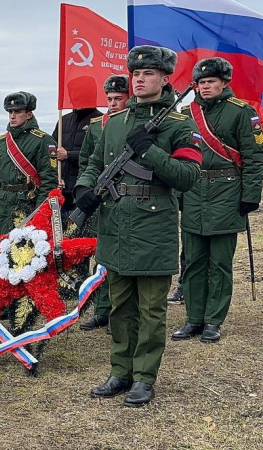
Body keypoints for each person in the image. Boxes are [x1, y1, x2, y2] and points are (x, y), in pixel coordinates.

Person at [75, 46, 202, 407]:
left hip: (153, 224)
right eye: (136, 74)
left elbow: (187, 177)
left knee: (151, 309)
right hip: (115, 223)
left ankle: (144, 377)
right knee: (120, 306)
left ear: (165, 79)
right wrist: (85, 189)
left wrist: (150, 151)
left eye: (148, 74)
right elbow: (95, 163)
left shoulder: (180, 125)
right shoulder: (113, 123)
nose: (140, 79)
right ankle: (120, 371)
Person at [171, 57, 263, 343]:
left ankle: (213, 321)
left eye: (211, 81)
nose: (205, 86)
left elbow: (254, 158)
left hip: (227, 192)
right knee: (194, 260)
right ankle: (194, 319)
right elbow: (178, 154)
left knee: (220, 263)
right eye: (201, 82)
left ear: (224, 83)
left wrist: (251, 196)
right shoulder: (187, 113)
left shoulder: (242, 112)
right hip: (194, 191)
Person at [78, 74, 130, 332]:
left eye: (118, 99)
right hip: (100, 200)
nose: (112, 103)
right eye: (109, 99)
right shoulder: (97, 125)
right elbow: (88, 161)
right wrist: (84, 190)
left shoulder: (134, 123)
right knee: (101, 258)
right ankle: (101, 311)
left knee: (120, 260)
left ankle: (120, 314)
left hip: (125, 198)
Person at [0, 92, 58, 234]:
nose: (12, 116)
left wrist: (39, 212)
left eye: (17, 112)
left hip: (28, 204)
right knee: (3, 250)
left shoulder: (43, 140)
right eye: (10, 112)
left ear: (29, 114)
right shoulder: (1, 142)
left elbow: (49, 180)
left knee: (25, 251)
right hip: (5, 203)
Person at [52, 89, 102, 207]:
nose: (75, 100)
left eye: (79, 96)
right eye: (73, 96)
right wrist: (56, 177)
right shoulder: (63, 120)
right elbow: (52, 149)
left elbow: (99, 155)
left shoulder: (100, 121)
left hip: (85, 188)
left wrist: (69, 155)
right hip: (62, 188)